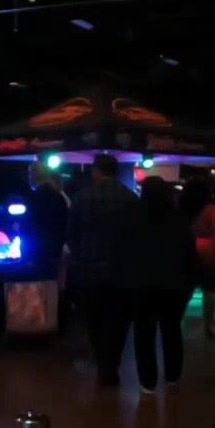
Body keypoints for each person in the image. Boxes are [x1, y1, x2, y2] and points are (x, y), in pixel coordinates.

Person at [67, 154, 139, 387]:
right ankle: (112, 365)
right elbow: (136, 236)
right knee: (118, 322)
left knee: (95, 320)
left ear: (95, 170)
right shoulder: (129, 198)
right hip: (121, 272)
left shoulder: (82, 197)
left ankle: (102, 363)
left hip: (90, 270)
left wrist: (80, 257)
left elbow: (71, 234)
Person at [131, 176, 195, 393]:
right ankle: (173, 375)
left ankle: (147, 381)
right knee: (172, 330)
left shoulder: (135, 217)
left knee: (144, 333)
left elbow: (126, 250)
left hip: (143, 284)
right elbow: (189, 253)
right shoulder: (179, 219)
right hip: (173, 284)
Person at [183, 177, 215, 337]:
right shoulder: (211, 209)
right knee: (209, 289)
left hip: (187, 249)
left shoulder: (181, 208)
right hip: (209, 252)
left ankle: (177, 318)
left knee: (186, 289)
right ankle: (208, 323)